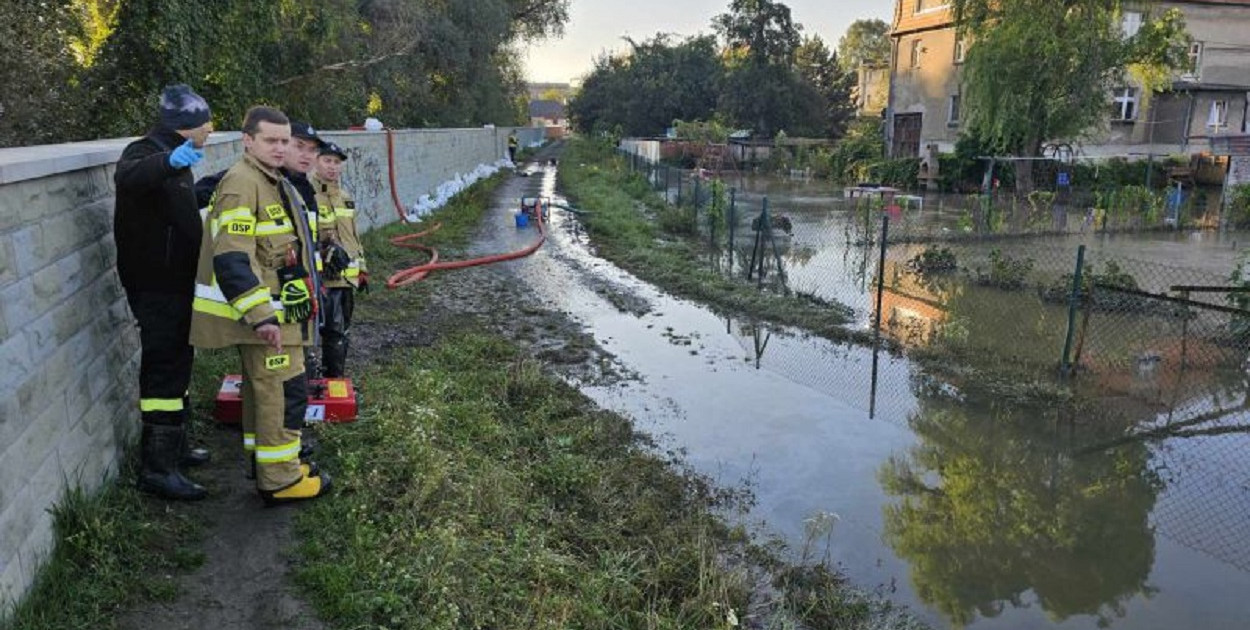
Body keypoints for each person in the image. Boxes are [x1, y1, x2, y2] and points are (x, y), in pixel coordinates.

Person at [189, 105, 331, 504]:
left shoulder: (273, 180)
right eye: (271, 140)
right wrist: (261, 316)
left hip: (278, 317)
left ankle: (266, 465)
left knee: (263, 393)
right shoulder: (242, 183)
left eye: (284, 141)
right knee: (282, 395)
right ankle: (281, 481)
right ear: (247, 140)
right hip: (268, 320)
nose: (280, 148)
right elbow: (231, 258)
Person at [113, 84, 214, 501]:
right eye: (206, 122)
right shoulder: (145, 152)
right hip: (156, 286)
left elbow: (179, 207)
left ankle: (178, 446)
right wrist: (168, 162)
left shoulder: (179, 161)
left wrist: (213, 186)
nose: (210, 130)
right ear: (186, 127)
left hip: (176, 283)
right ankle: (158, 469)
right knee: (163, 370)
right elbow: (131, 177)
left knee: (178, 362)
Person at [311, 141, 367, 377]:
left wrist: (362, 269)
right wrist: (323, 249)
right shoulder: (307, 195)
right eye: (327, 161)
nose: (333, 167)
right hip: (324, 280)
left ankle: (334, 380)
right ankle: (320, 381)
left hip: (347, 280)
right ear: (315, 161)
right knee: (326, 333)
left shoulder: (344, 197)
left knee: (341, 332)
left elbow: (353, 237)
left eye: (336, 162)